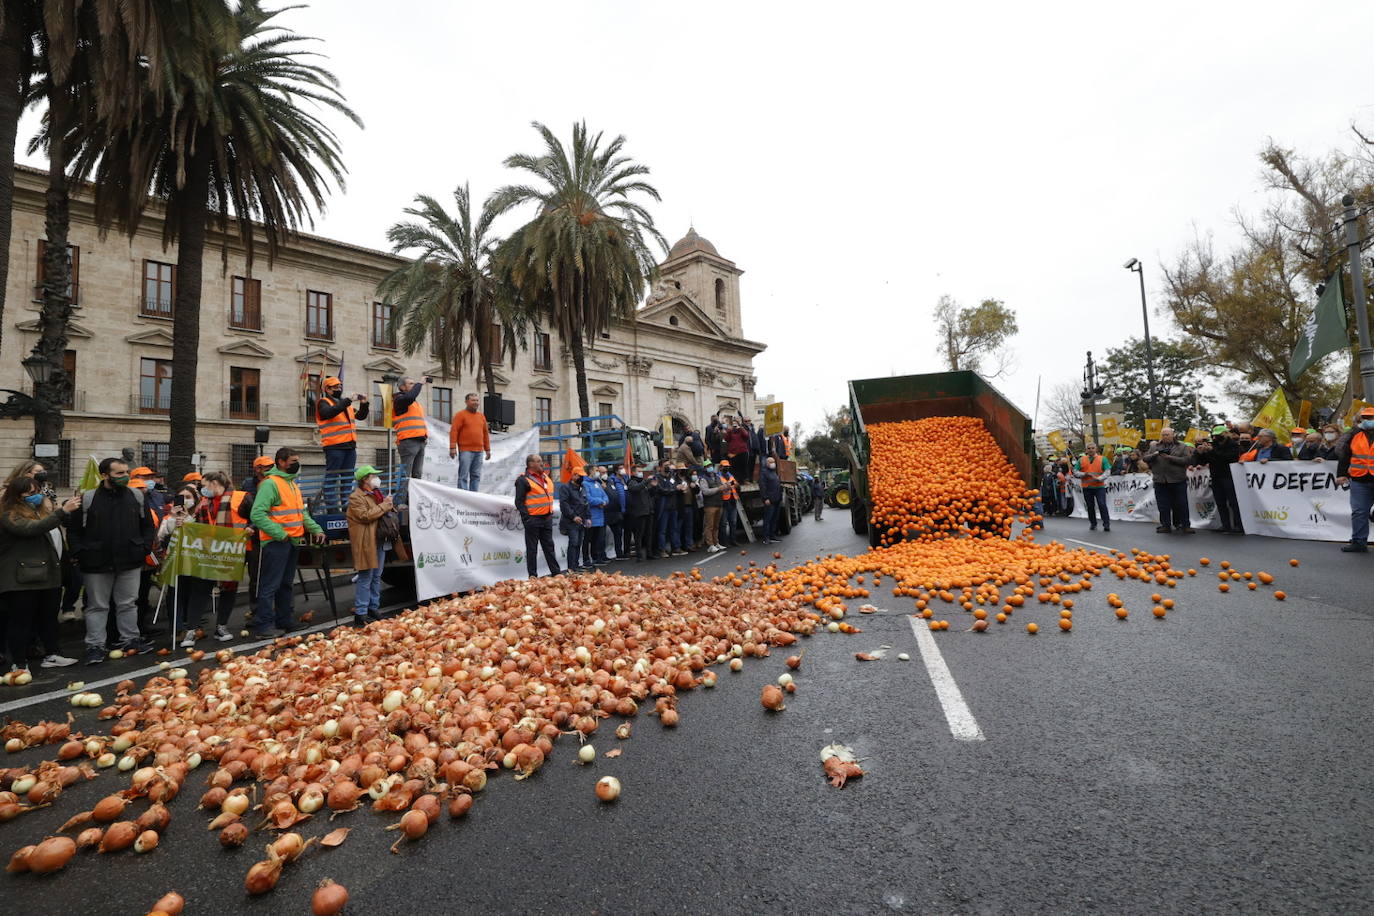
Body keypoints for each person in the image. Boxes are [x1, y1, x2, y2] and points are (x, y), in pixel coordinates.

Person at [66, 458, 156, 664]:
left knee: (128, 603)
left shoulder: (136, 496)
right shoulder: (88, 499)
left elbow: (148, 526)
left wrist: (143, 548)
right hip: (96, 562)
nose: (125, 477)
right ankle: (95, 646)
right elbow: (74, 531)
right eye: (119, 473)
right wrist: (81, 553)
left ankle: (130, 640)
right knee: (97, 606)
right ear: (105, 475)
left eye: (126, 472)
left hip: (129, 561)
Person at [0, 478, 82, 674]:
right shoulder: (9, 515)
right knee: (21, 621)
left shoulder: (38, 512)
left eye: (37, 491)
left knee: (48, 618)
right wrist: (62, 511)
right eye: (29, 493)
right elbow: (31, 529)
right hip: (21, 578)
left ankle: (52, 654)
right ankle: (19, 663)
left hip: (46, 576)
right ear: (16, 496)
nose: (36, 496)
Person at [249, 447, 324, 638]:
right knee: (270, 585)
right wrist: (279, 533)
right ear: (281, 462)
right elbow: (257, 514)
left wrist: (316, 529)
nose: (296, 464)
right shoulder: (270, 484)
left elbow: (302, 514)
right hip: (276, 542)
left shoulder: (292, 485)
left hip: (290, 541)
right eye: (293, 461)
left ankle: (285, 620)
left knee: (286, 584)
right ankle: (263, 626)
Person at [346, 465, 397, 624]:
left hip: (380, 540)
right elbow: (365, 516)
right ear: (365, 479)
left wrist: (389, 505)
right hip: (367, 542)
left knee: (376, 576)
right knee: (366, 577)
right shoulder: (356, 497)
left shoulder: (376, 494)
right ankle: (361, 613)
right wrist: (384, 505)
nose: (376, 478)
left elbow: (383, 513)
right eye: (373, 476)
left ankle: (373, 608)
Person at [313, 376, 370, 512]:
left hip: (350, 446)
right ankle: (332, 508)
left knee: (348, 478)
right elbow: (328, 413)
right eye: (335, 387)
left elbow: (361, 416)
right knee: (332, 478)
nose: (339, 388)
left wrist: (364, 403)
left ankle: (346, 506)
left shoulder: (345, 405)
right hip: (334, 446)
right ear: (327, 389)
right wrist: (348, 400)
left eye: (339, 386)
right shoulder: (323, 402)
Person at [236, 456, 273, 629]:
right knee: (254, 577)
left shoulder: (273, 483)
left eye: (271, 466)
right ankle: (255, 611)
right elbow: (247, 510)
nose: (269, 469)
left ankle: (263, 611)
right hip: (251, 536)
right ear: (257, 469)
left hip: (267, 533)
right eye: (266, 467)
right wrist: (250, 525)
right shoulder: (247, 485)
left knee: (261, 575)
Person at [514, 454, 561, 577]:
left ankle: (556, 573)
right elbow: (519, 502)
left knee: (549, 547)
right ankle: (533, 576)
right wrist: (527, 518)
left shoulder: (545, 477)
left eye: (542, 461)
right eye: (539, 461)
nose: (542, 463)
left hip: (547, 518)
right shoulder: (523, 480)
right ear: (531, 464)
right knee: (532, 550)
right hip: (533, 519)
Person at [1335, 406, 1374, 553]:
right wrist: (1341, 474)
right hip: (1359, 479)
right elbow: (1344, 455)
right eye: (1365, 418)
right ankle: (1359, 541)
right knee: (1359, 511)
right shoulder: (1354, 434)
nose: (1368, 421)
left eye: (1371, 418)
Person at [1143, 429, 1195, 534]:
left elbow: (1187, 460)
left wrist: (1170, 457)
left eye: (1167, 435)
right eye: (1163, 435)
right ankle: (1165, 525)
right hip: (1160, 480)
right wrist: (1155, 454)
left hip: (1177, 479)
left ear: (1173, 435)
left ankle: (1185, 525)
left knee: (1181, 504)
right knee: (1163, 505)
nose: (1165, 436)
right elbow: (1145, 458)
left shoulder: (1182, 446)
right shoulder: (1155, 446)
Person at [1194, 426, 1243, 534]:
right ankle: (1225, 525)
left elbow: (1228, 458)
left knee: (1233, 502)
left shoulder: (1233, 445)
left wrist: (1212, 451)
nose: (1216, 437)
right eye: (1214, 435)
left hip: (1229, 476)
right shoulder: (1213, 445)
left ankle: (1238, 525)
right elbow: (1202, 462)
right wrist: (1201, 453)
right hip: (1216, 476)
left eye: (1218, 435)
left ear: (1225, 433)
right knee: (1220, 502)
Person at [448, 393, 491, 492]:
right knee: (463, 475)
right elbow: (454, 431)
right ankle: (463, 497)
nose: (475, 402)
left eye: (477, 400)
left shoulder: (481, 416)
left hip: (479, 451)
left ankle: (474, 496)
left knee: (476, 475)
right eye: (473, 400)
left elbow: (485, 433)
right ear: (466, 402)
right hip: (465, 450)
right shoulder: (460, 415)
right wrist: (452, 447)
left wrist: (487, 449)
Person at [392, 376, 429, 490]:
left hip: (420, 441)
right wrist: (420, 383)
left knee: (417, 474)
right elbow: (411, 396)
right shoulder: (399, 399)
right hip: (408, 441)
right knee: (405, 474)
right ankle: (401, 502)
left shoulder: (414, 403)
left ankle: (412, 501)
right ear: (402, 387)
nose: (414, 385)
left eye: (414, 383)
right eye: (411, 384)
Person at [558, 467, 592, 572]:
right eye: (579, 475)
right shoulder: (565, 488)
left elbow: (586, 504)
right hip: (571, 522)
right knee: (573, 544)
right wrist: (573, 517)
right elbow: (564, 505)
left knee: (578, 544)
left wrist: (588, 517)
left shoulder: (582, 488)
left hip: (581, 521)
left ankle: (576, 565)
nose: (581, 478)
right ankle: (571, 568)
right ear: (574, 475)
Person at [1074, 442, 1110, 532]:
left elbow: (1107, 471)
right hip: (1087, 487)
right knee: (1090, 506)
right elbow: (1075, 471)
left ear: (1096, 449)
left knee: (1102, 504)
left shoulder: (1103, 459)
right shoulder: (1081, 460)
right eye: (1089, 448)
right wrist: (1084, 474)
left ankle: (1106, 524)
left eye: (1092, 448)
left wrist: (1099, 478)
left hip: (1099, 486)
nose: (1091, 450)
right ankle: (1093, 523)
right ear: (1086, 450)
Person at [652, 461, 681, 557]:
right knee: (662, 530)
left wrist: (677, 488)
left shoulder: (672, 476)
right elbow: (661, 490)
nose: (668, 467)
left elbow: (676, 485)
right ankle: (662, 550)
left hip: (673, 506)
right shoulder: (657, 477)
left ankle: (676, 548)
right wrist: (675, 489)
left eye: (669, 465)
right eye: (666, 466)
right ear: (660, 467)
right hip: (663, 507)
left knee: (674, 528)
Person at [625, 464, 653, 561]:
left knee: (648, 534)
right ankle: (639, 554)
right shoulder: (631, 482)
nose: (641, 473)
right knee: (639, 534)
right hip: (639, 512)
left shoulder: (643, 483)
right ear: (633, 472)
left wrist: (653, 486)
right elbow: (635, 489)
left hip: (648, 511)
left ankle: (649, 553)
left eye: (642, 471)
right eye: (639, 471)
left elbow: (649, 494)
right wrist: (646, 481)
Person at [585, 466, 610, 566]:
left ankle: (598, 557)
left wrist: (604, 502)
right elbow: (588, 498)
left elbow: (606, 496)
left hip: (600, 515)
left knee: (598, 538)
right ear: (590, 471)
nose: (598, 473)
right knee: (590, 539)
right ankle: (590, 558)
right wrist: (600, 502)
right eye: (596, 471)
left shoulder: (597, 483)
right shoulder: (585, 484)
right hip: (591, 515)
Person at [697, 464, 726, 552]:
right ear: (705, 469)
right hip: (710, 505)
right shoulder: (703, 479)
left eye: (711, 466)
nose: (710, 468)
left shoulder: (718, 477)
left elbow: (722, 486)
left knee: (716, 525)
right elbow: (705, 492)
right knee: (709, 526)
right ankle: (710, 544)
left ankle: (716, 542)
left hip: (719, 504)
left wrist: (725, 487)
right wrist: (718, 489)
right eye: (707, 467)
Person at [604, 464, 628, 559]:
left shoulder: (625, 479)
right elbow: (613, 496)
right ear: (616, 471)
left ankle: (620, 552)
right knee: (616, 532)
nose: (623, 470)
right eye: (621, 468)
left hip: (620, 510)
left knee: (619, 533)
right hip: (612, 511)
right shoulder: (611, 481)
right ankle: (617, 553)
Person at [760, 456, 783, 544]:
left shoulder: (774, 472)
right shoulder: (764, 473)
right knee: (768, 519)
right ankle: (766, 537)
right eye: (771, 462)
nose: (773, 463)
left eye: (773, 462)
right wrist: (765, 498)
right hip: (769, 500)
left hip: (776, 499)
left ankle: (772, 535)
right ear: (767, 463)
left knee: (774, 519)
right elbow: (763, 486)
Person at [718, 461, 742, 545]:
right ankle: (724, 541)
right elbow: (721, 487)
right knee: (723, 523)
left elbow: (736, 484)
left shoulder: (730, 475)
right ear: (720, 467)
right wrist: (729, 485)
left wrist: (736, 485)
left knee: (733, 522)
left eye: (727, 466)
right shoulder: (718, 476)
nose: (726, 468)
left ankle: (733, 540)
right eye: (725, 467)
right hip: (724, 502)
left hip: (732, 501)